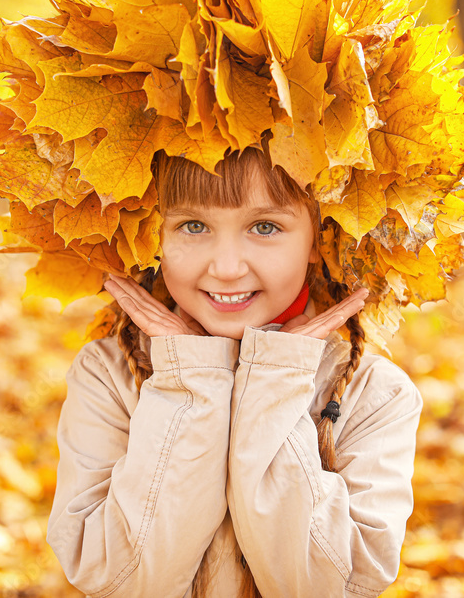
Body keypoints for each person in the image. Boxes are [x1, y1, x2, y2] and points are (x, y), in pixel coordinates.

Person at [45, 146, 424, 597]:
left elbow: (334, 587)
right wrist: (191, 383)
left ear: (318, 240)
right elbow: (119, 581)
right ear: (151, 236)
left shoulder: (373, 393)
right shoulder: (109, 375)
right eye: (193, 225)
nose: (226, 268)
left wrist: (275, 382)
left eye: (265, 227)